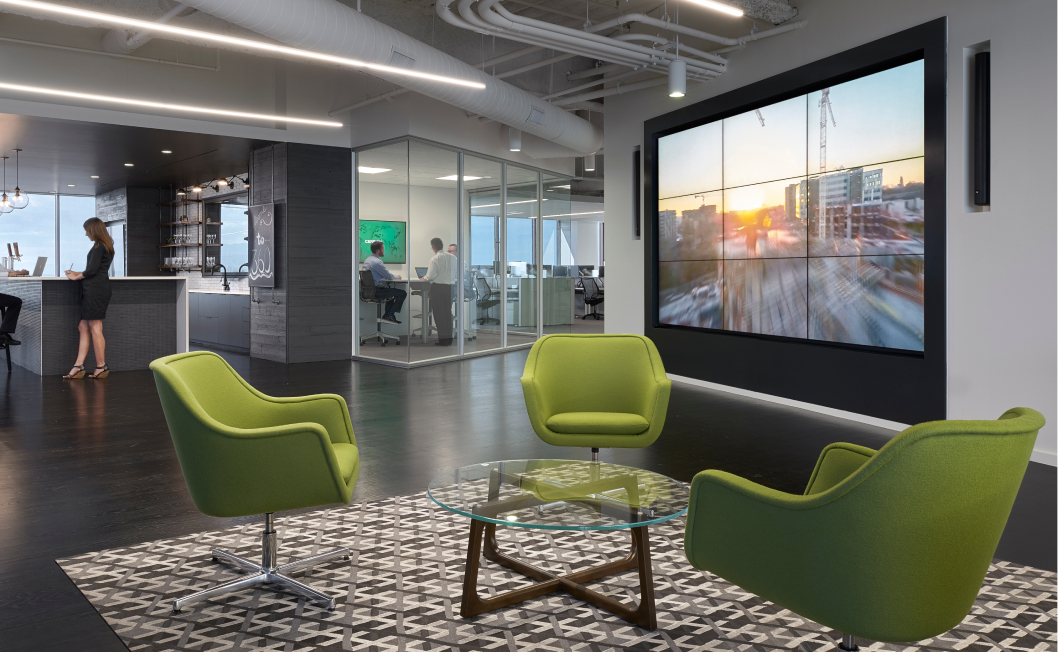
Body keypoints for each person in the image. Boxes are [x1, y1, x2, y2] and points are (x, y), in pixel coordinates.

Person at [64, 217, 114, 379]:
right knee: (83, 326)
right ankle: (78, 366)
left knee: (95, 327)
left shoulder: (99, 246)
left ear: (93, 230)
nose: (86, 234)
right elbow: (96, 270)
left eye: (87, 231)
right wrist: (77, 273)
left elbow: (92, 271)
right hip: (96, 288)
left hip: (95, 291)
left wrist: (75, 277)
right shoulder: (105, 245)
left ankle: (101, 366)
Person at [420, 237, 455, 346]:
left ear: (433, 247)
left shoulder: (434, 259)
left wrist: (424, 277)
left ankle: (443, 340)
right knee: (448, 313)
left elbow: (430, 276)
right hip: (450, 288)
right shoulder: (453, 257)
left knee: (439, 314)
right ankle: (449, 338)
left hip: (438, 288)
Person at [362, 240, 406, 324]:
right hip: (376, 291)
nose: (384, 250)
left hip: (369, 291)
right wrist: (398, 277)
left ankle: (388, 315)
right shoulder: (377, 262)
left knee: (391, 293)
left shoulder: (367, 260)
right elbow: (389, 276)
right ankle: (390, 314)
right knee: (402, 293)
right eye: (383, 249)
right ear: (378, 250)